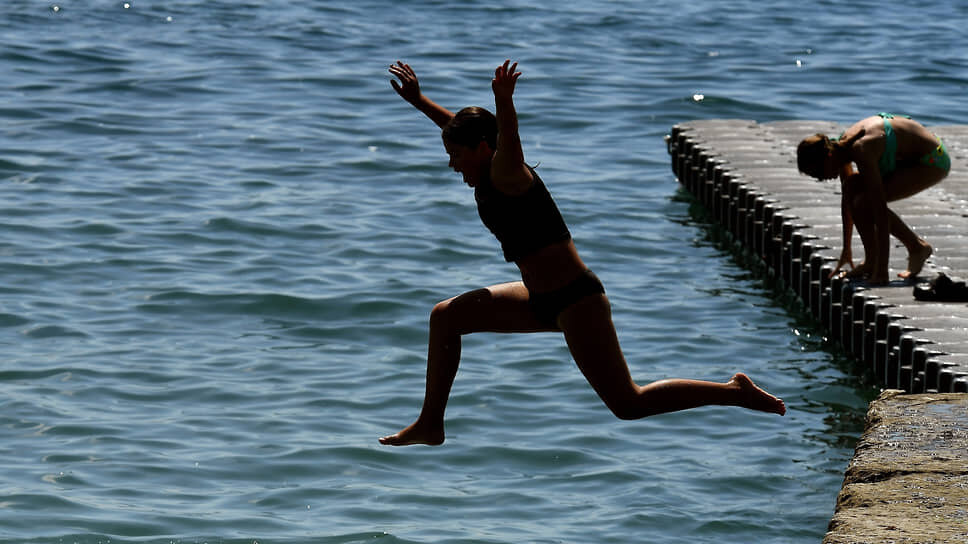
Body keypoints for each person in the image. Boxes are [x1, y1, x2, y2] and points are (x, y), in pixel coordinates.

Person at [380, 59, 786, 447]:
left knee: (629, 403)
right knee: (445, 317)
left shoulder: (507, 171)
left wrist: (504, 100)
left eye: (456, 155)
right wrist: (419, 101)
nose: (452, 166)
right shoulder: (486, 165)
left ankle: (734, 391)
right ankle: (431, 424)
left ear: (484, 148)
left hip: (576, 300)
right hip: (537, 298)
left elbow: (509, 140)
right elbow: (466, 133)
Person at [797, 113, 951, 284]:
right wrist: (846, 250)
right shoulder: (840, 148)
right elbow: (847, 201)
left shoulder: (862, 149)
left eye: (819, 174)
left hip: (932, 160)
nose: (821, 179)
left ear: (829, 158)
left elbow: (880, 213)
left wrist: (882, 273)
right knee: (852, 187)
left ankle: (916, 248)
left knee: (866, 202)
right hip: (905, 159)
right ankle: (872, 261)